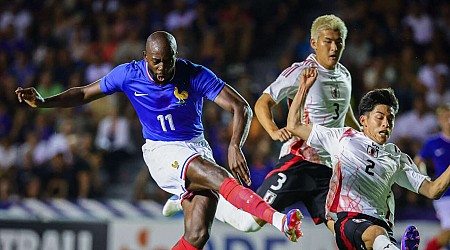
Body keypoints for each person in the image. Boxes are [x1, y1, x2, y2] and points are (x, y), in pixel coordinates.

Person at [15, 31, 303, 249]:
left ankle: (182, 196)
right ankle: (281, 221)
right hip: (161, 152)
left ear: (176, 56)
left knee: (198, 235)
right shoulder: (129, 74)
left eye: (168, 61)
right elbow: (82, 94)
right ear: (145, 57)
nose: (163, 67)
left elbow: (240, 107)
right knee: (218, 175)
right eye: (156, 61)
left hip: (195, 146)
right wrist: (43, 103)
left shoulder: (193, 74)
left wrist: (234, 145)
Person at [163, 14, 360, 234]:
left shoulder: (345, 75)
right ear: (314, 43)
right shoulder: (300, 72)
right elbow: (262, 103)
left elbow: (346, 116)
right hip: (298, 161)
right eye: (328, 41)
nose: (334, 47)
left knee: (345, 230)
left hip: (327, 169)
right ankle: (189, 196)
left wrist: (365, 143)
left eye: (338, 42)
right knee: (249, 223)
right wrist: (274, 131)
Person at [286, 67, 450, 250]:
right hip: (348, 220)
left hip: (382, 229)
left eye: (391, 119)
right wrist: (302, 88)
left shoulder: (397, 158)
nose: (386, 124)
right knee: (376, 234)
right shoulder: (343, 138)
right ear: (363, 120)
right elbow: (294, 125)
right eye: (380, 117)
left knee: (379, 235)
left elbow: (433, 190)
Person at [414, 103, 450, 250]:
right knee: (448, 229)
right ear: (440, 120)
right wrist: (426, 180)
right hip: (445, 195)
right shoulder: (433, 142)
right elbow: (418, 161)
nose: (449, 121)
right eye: (445, 118)